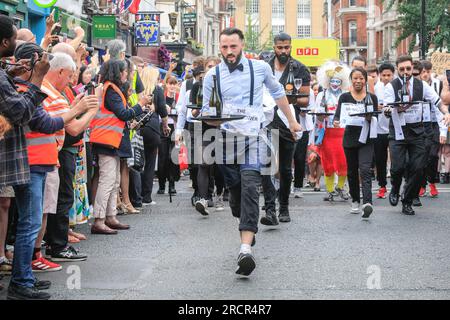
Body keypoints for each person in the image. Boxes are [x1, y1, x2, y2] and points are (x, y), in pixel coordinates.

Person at [201, 28, 301, 277]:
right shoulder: (212, 76)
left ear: (242, 45)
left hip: (253, 139)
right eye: (224, 47)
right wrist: (216, 118)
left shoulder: (260, 69)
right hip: (225, 141)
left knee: (249, 187)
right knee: (235, 198)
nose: (229, 52)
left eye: (233, 46)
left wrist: (291, 121)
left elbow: (279, 94)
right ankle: (245, 224)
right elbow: (208, 113)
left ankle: (245, 248)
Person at [0, 15, 52, 300]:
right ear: (5, 42)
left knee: (27, 221)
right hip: (16, 159)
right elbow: (20, 112)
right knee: (28, 222)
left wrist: (13, 73)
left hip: (21, 160)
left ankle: (23, 277)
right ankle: (20, 281)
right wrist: (38, 78)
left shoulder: (3, 74)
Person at [383, 55, 450, 215]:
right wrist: (388, 110)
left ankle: (407, 200)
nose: (405, 72)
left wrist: (446, 113)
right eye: (402, 69)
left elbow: (437, 101)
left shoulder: (421, 86)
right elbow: (386, 107)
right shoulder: (391, 87)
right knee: (398, 167)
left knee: (418, 168)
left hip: (417, 132)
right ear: (397, 70)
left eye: (408, 68)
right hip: (398, 131)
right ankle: (395, 188)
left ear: (412, 68)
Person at [90, 59, 150, 234]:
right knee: (107, 181)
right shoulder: (111, 90)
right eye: (124, 71)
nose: (127, 74)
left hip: (112, 141)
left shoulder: (113, 90)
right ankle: (99, 220)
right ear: (117, 72)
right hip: (106, 141)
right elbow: (123, 114)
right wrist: (141, 104)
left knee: (114, 180)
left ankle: (110, 217)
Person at [259, 32, 310, 225]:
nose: (283, 51)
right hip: (266, 119)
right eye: (280, 47)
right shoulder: (263, 66)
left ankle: (284, 207)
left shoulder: (300, 69)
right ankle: (270, 209)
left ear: (291, 47)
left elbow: (305, 100)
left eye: (286, 47)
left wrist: (286, 99)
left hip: (288, 120)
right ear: (274, 47)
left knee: (286, 168)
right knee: (266, 165)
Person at [334, 67, 378, 218]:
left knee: (365, 170)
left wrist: (369, 117)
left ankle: (367, 203)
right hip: (350, 139)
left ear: (366, 80)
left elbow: (375, 117)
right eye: (355, 78)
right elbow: (338, 116)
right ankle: (355, 200)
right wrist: (336, 122)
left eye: (361, 78)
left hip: (366, 138)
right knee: (352, 172)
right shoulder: (344, 97)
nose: (358, 81)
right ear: (351, 80)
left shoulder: (372, 97)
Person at [315, 60, 351, 202]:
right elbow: (317, 117)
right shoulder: (321, 96)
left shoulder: (346, 96)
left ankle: (340, 187)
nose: (335, 83)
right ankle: (330, 190)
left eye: (338, 81)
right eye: (332, 80)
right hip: (328, 133)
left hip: (343, 133)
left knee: (344, 161)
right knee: (327, 162)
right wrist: (320, 116)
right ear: (327, 81)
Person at [138, 66, 170, 205]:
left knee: (136, 164)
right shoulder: (157, 89)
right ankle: (146, 197)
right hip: (152, 129)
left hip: (137, 127)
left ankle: (135, 196)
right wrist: (165, 126)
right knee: (150, 163)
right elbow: (163, 111)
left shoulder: (137, 89)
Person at [374, 63, 395, 199]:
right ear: (380, 76)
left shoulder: (397, 87)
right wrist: (377, 106)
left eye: (389, 75)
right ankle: (382, 186)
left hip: (394, 129)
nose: (386, 78)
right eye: (384, 75)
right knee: (380, 160)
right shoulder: (376, 88)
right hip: (379, 130)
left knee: (397, 160)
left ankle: (395, 186)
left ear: (393, 75)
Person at [157, 76, 180, 196]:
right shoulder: (162, 97)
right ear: (166, 84)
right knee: (162, 157)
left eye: (174, 84)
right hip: (163, 128)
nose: (172, 86)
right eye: (170, 84)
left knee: (173, 157)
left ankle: (172, 184)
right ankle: (161, 184)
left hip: (175, 129)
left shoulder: (178, 98)